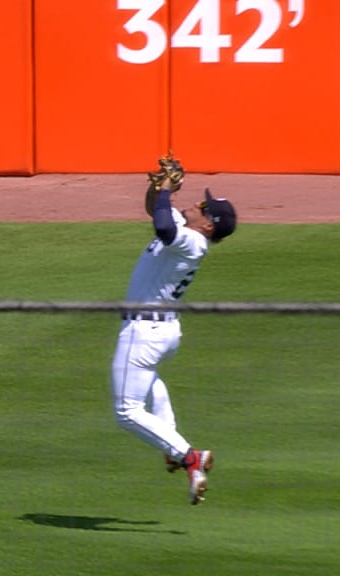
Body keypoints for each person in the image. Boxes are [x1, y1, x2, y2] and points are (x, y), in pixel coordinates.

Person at [110, 161, 237, 505]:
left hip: (145, 332)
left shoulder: (193, 243)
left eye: (204, 207)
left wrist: (167, 192)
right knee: (147, 383)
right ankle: (179, 454)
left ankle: (188, 455)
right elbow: (157, 213)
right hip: (159, 331)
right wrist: (159, 189)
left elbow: (164, 227)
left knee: (127, 411)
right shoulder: (187, 229)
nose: (197, 204)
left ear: (209, 225)